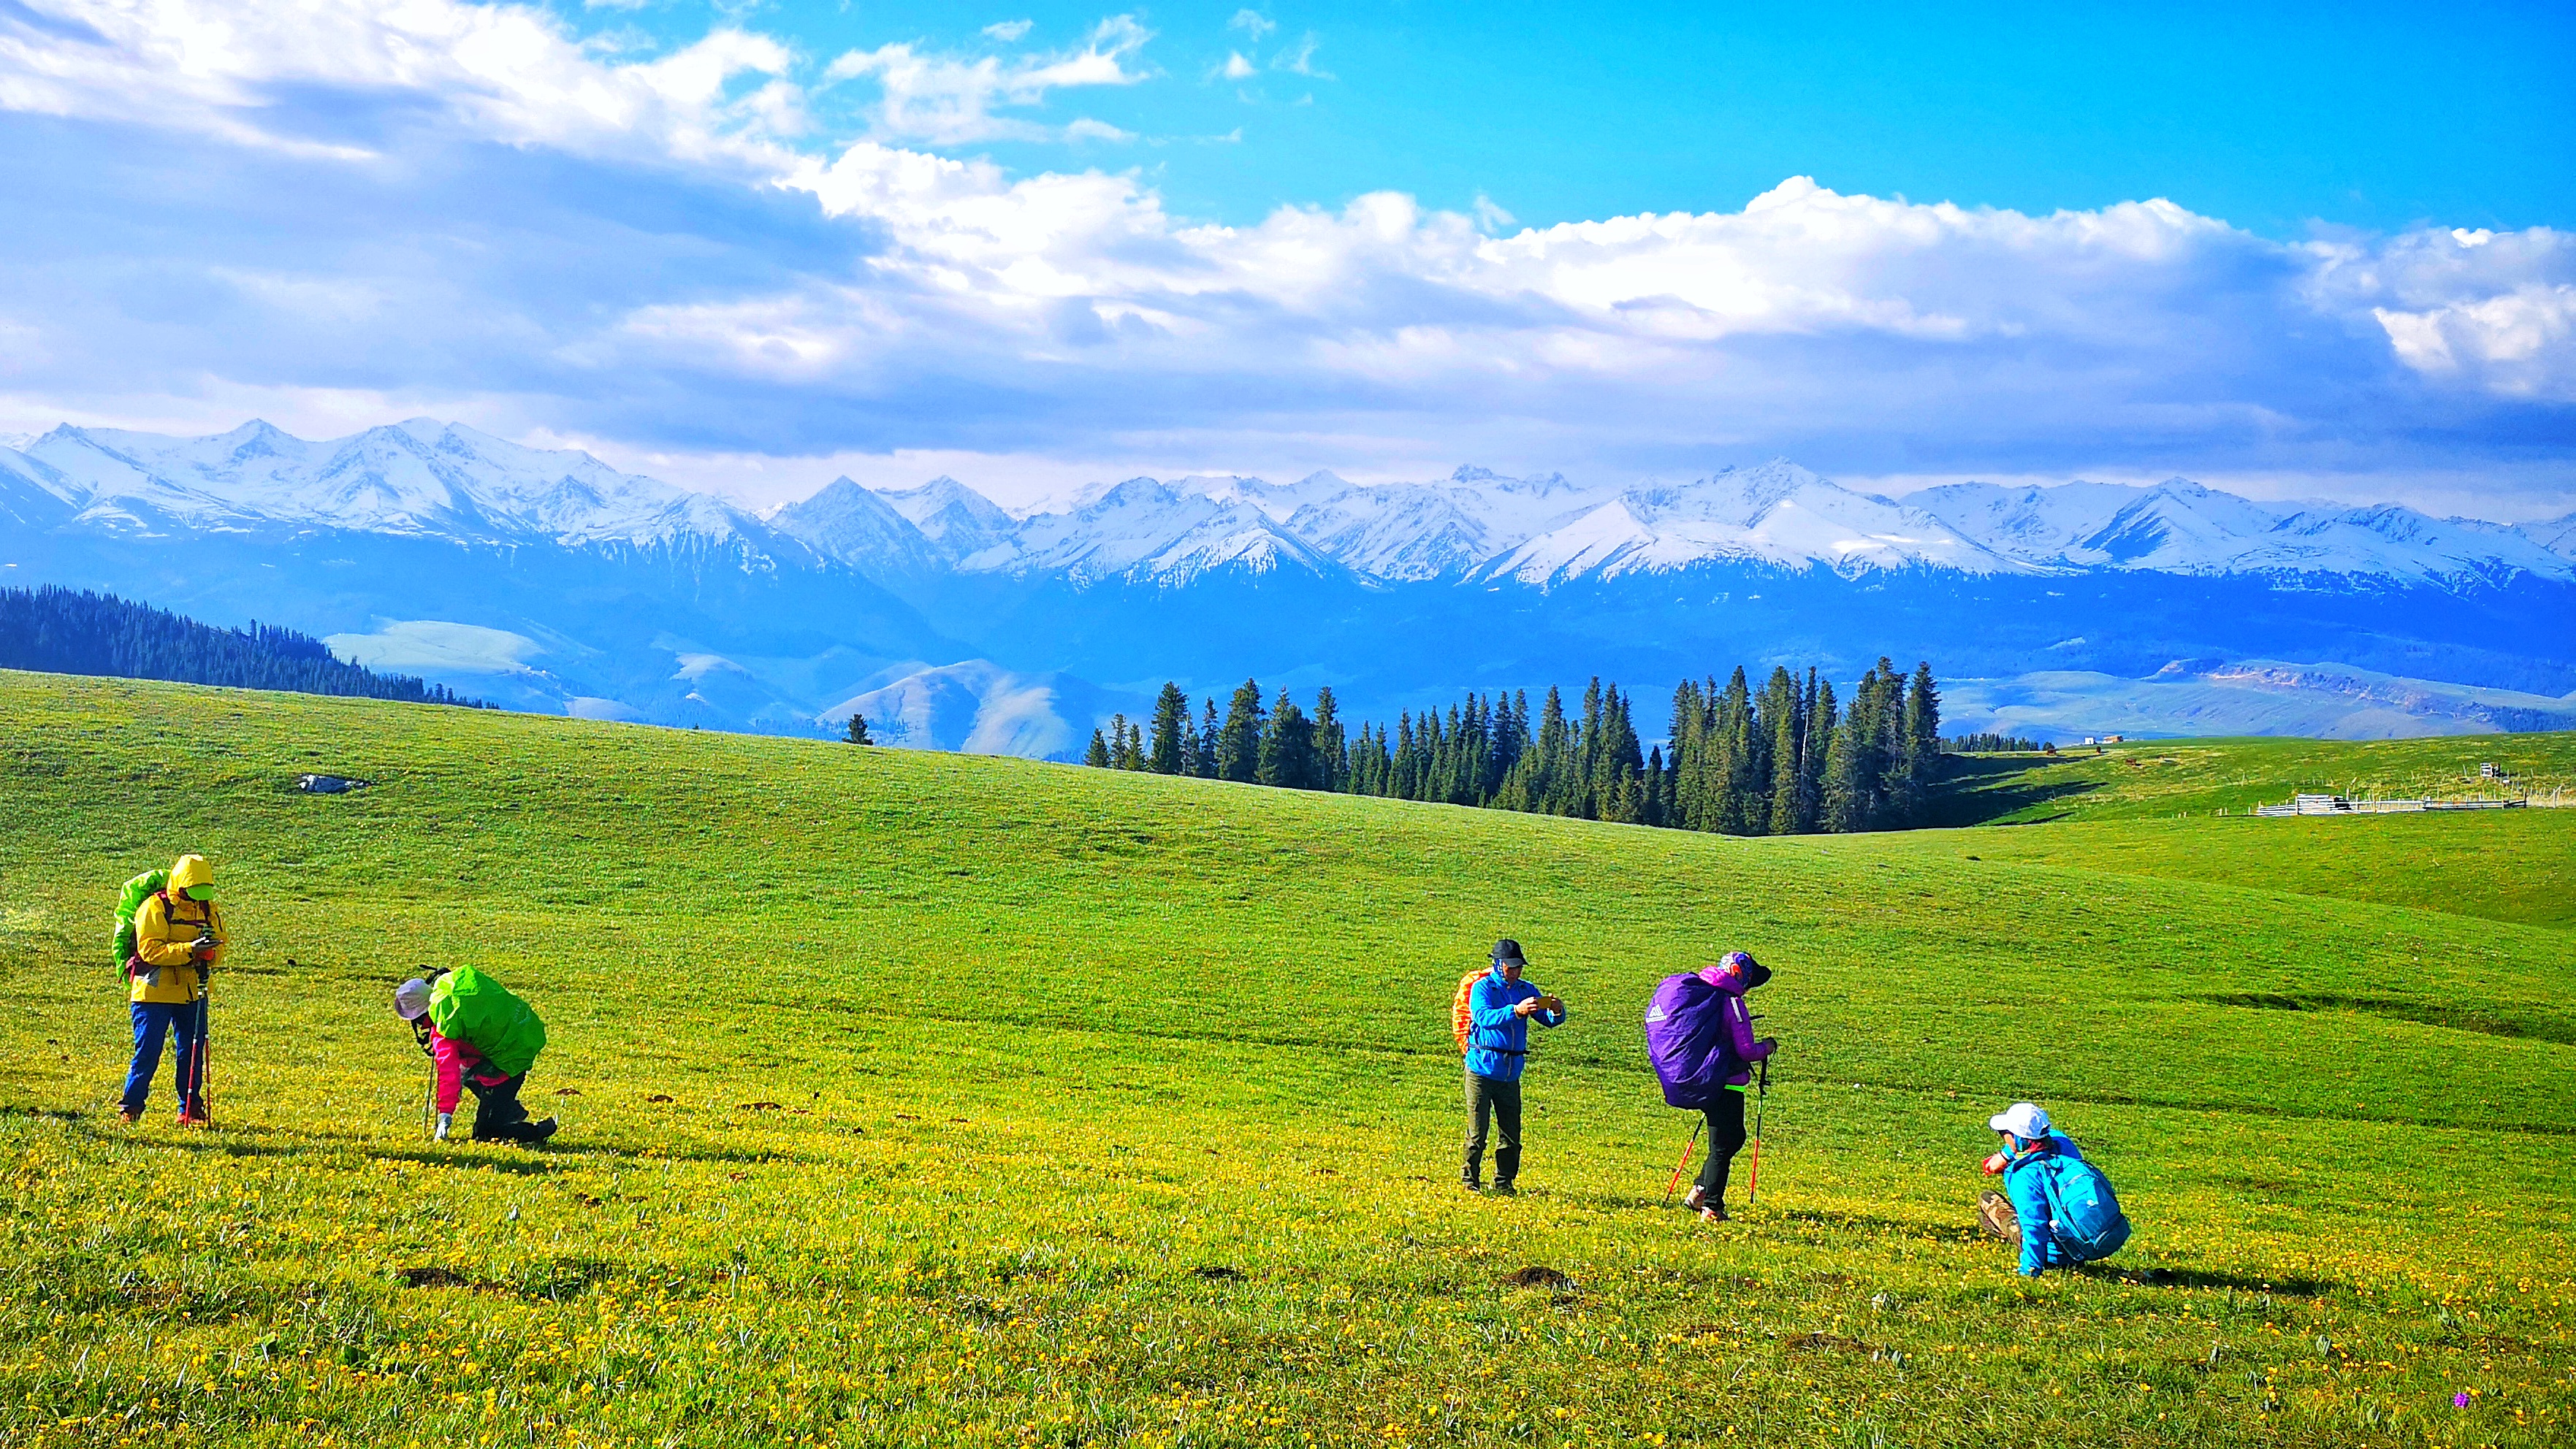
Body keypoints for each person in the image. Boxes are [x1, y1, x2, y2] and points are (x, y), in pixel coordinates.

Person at [1644, 950, 1777, 1222]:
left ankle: (1700, 1191)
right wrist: (1769, 1047)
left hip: (1706, 1079)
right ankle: (1711, 1207)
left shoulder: (1705, 998)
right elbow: (1747, 1050)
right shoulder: (1732, 1003)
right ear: (1741, 976)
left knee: (1732, 1138)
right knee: (1723, 1144)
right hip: (1725, 1083)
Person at [393, 967, 557, 1145]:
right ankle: (507, 1110)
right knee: (467, 1072)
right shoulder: (449, 990)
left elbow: (449, 1073)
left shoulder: (445, 1027)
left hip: (509, 1060)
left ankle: (540, 1130)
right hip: (524, 1031)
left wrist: (445, 1117)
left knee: (485, 1134)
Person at [121, 853, 225, 1125]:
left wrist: (211, 955)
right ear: (180, 885)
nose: (197, 898)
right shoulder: (154, 907)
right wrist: (191, 951)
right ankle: (130, 1108)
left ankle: (190, 1108)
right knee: (148, 1051)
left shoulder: (208, 909)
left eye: (202, 892)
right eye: (192, 892)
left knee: (192, 1052)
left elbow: (221, 945)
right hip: (153, 992)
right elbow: (150, 951)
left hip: (192, 992)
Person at [1459, 938, 1566, 1195]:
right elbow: (1483, 1018)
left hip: (1510, 1073)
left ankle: (1504, 1183)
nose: (1516, 971)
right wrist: (1515, 1011)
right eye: (1511, 966)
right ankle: (1469, 1181)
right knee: (1478, 1133)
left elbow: (1548, 1020)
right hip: (1481, 1070)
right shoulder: (1482, 988)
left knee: (1511, 1135)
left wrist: (1556, 1011)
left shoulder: (1526, 989)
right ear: (1497, 965)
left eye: (1519, 967)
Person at [1978, 1102, 2120, 1276]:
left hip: (2054, 1255)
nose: (2003, 1137)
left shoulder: (2024, 1175)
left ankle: (2039, 1258)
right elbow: (2048, 1137)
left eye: (2004, 1133)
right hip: (2083, 1244)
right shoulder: (2064, 1145)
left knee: (1988, 1199)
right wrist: (2005, 1155)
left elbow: (2035, 1226)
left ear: (2018, 1138)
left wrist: (2029, 1271)